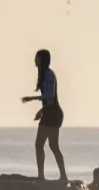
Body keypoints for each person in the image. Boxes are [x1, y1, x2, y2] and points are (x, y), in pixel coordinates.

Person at [20, 49, 66, 182]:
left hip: (54, 113)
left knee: (41, 144)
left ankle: (47, 176)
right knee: (51, 146)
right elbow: (47, 100)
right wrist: (42, 110)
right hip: (50, 112)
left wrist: (32, 98)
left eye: (37, 57)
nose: (34, 60)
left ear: (42, 60)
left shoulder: (49, 74)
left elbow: (50, 96)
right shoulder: (43, 74)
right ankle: (56, 175)